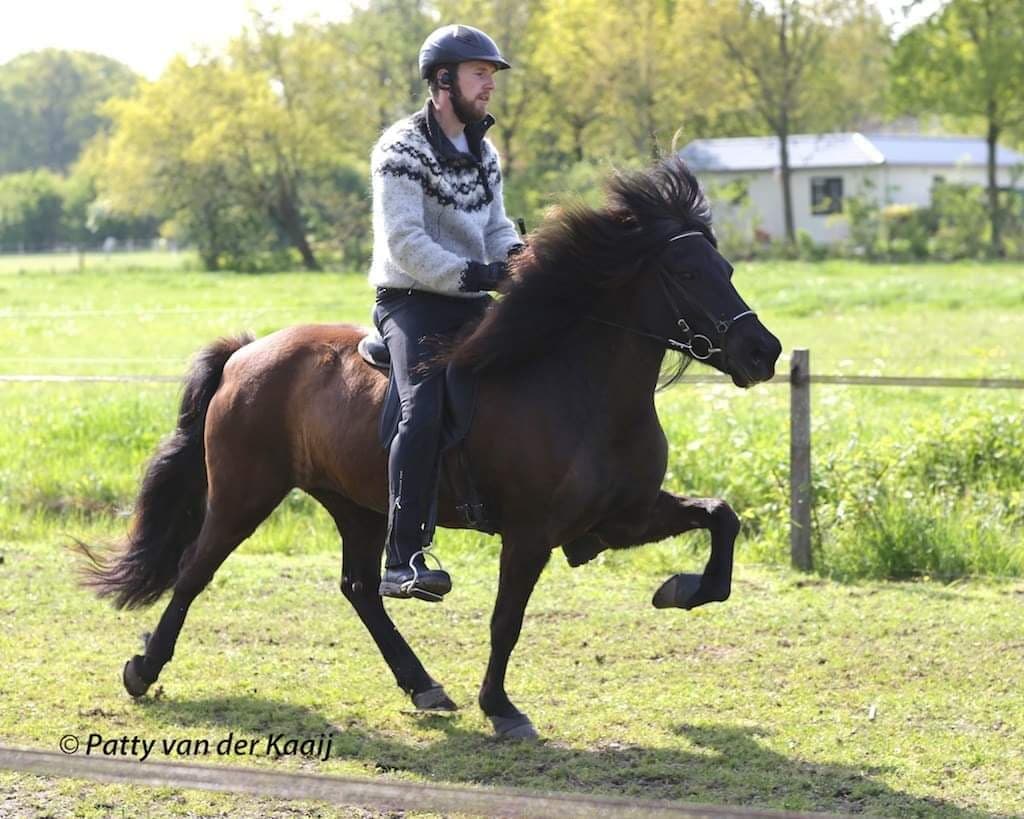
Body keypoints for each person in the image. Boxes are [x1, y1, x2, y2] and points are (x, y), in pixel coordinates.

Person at [369, 24, 523, 602]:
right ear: (442, 81)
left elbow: (495, 227)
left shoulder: (485, 152)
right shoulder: (399, 150)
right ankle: (401, 559)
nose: (488, 84)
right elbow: (405, 243)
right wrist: (478, 276)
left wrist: (515, 260)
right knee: (423, 408)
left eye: (491, 75)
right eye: (478, 73)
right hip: (410, 301)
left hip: (469, 298)